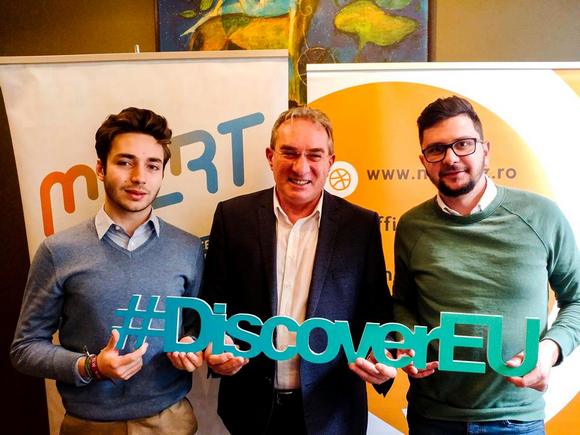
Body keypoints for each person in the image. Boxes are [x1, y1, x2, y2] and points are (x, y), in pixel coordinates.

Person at [171, 106, 395, 434]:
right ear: (270, 156)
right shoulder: (233, 217)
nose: (301, 167)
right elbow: (212, 303)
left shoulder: (360, 225)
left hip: (331, 412)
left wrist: (382, 354)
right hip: (250, 409)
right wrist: (217, 344)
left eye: (314, 155)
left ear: (330, 162)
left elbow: (378, 312)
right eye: (289, 153)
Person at [10, 107, 204, 434]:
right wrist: (92, 366)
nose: (139, 177)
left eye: (152, 165)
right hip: (90, 425)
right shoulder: (58, 251)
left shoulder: (188, 248)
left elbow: (196, 325)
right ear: (101, 168)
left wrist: (191, 344)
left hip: (170, 421)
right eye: (125, 162)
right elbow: (24, 348)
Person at [393, 95, 580, 434]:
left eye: (463, 144)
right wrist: (408, 340)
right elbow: (403, 302)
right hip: (433, 418)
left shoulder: (542, 216)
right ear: (424, 161)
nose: (451, 158)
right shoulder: (411, 226)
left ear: (485, 150)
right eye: (436, 149)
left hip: (516, 420)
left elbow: (577, 299)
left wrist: (549, 351)